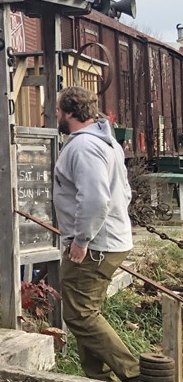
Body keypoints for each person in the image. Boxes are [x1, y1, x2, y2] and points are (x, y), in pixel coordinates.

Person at [53, 86, 139, 382]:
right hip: (111, 240)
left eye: (58, 110)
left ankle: (135, 374)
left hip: (94, 245)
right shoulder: (108, 142)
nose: (55, 115)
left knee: (79, 315)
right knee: (87, 312)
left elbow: (94, 199)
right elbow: (124, 192)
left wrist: (81, 240)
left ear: (70, 113)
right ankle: (98, 376)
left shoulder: (83, 147)